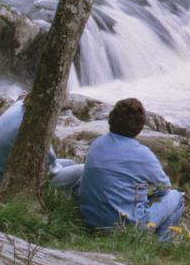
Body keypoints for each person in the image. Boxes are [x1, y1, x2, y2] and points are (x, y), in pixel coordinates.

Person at [78, 96, 184, 239]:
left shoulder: (97, 143)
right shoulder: (143, 154)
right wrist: (144, 192)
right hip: (124, 226)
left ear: (111, 119)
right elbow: (164, 188)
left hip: (90, 221)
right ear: (140, 126)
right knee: (176, 197)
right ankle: (159, 247)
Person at [0, 98, 84, 194]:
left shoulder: (17, 107)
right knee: (85, 170)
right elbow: (50, 171)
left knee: (71, 163)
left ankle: (64, 200)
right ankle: (73, 207)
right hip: (3, 185)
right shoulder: (33, 126)